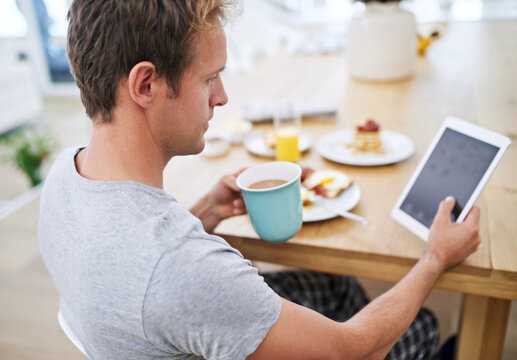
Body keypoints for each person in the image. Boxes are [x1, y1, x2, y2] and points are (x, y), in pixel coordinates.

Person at [38, 1, 481, 359]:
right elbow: (352, 351)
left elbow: (141, 273)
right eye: (209, 78)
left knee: (334, 285)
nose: (222, 96)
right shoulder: (184, 269)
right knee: (420, 325)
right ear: (146, 84)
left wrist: (206, 213)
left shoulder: (64, 174)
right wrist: (434, 259)